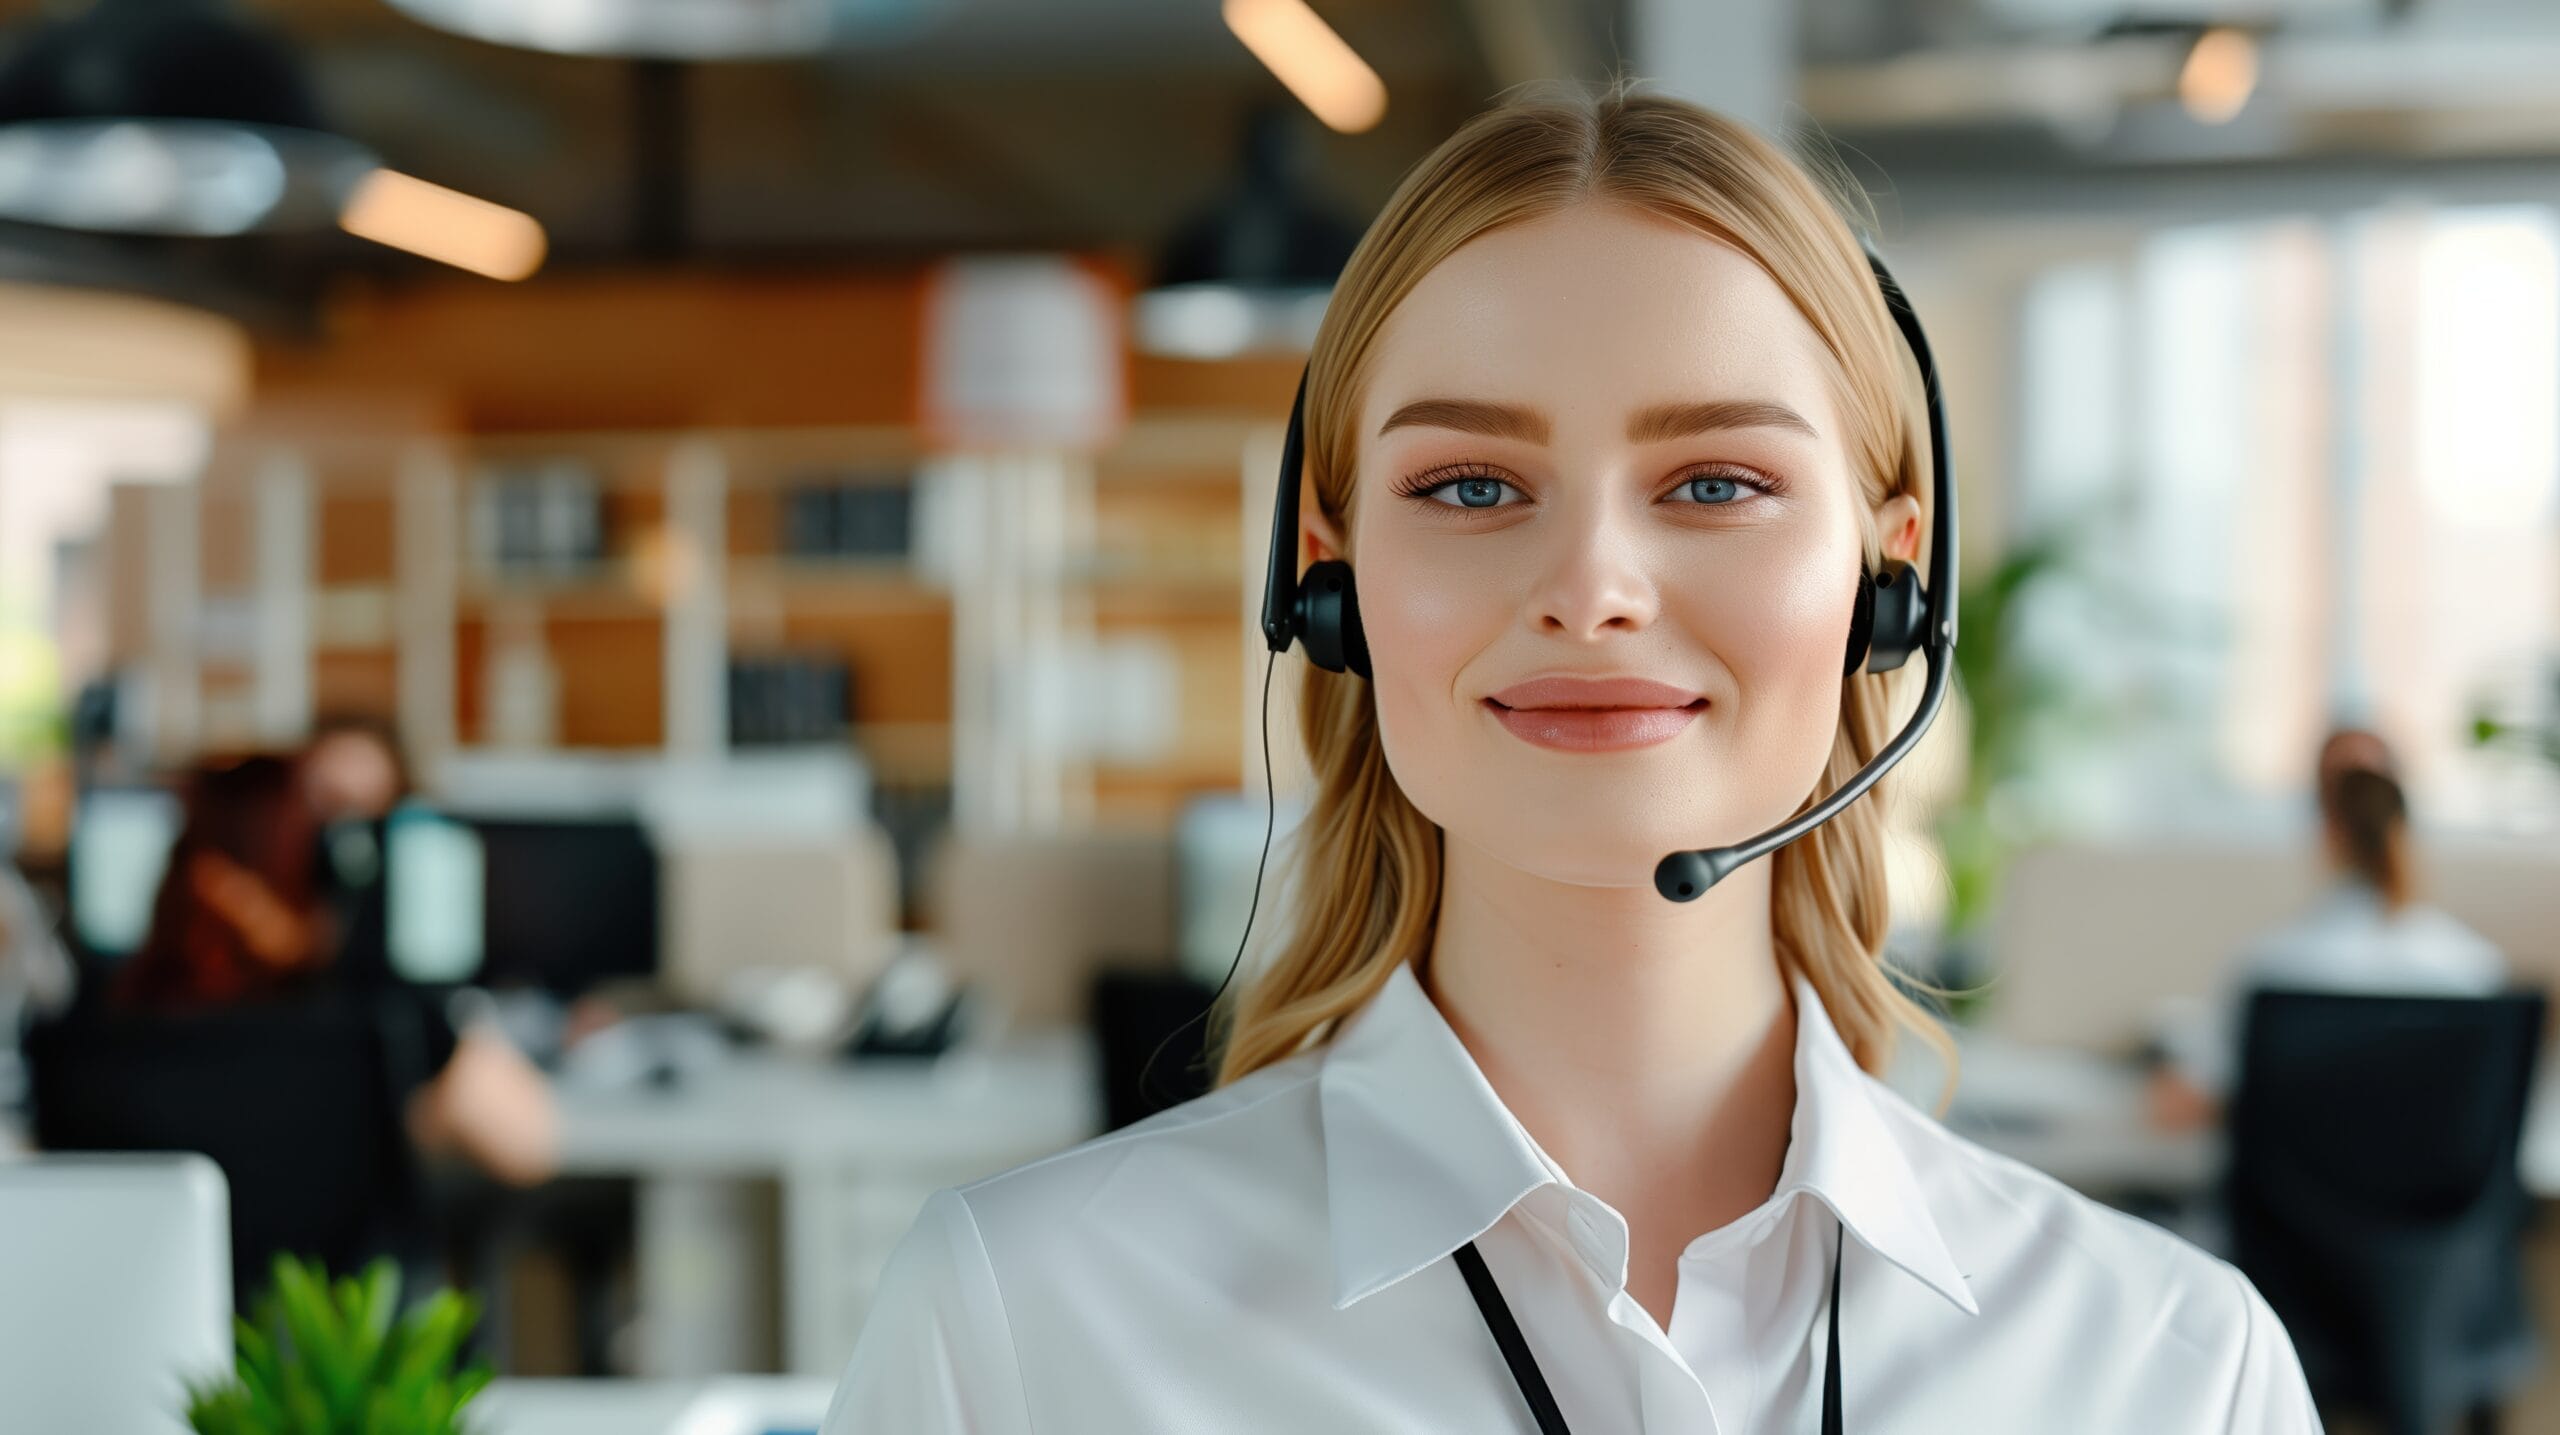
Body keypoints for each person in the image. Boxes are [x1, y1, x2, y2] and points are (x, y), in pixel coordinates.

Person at [823, 83, 2319, 1432]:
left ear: (1889, 582)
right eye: (1472, 483)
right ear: (1329, 582)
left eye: (1717, 480)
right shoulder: (1021, 1329)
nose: (1594, 583)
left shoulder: (2170, 1368)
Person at [108, 753, 556, 1187]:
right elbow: (531, 1146)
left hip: (186, 1266)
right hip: (342, 1269)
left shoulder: (107, 1026)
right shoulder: (375, 1018)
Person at [2147, 729, 2506, 1132]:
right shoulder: (2476, 970)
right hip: (2432, 1196)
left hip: (2284, 1196)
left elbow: (2176, 1110)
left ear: (2324, 826)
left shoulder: (2270, 968)